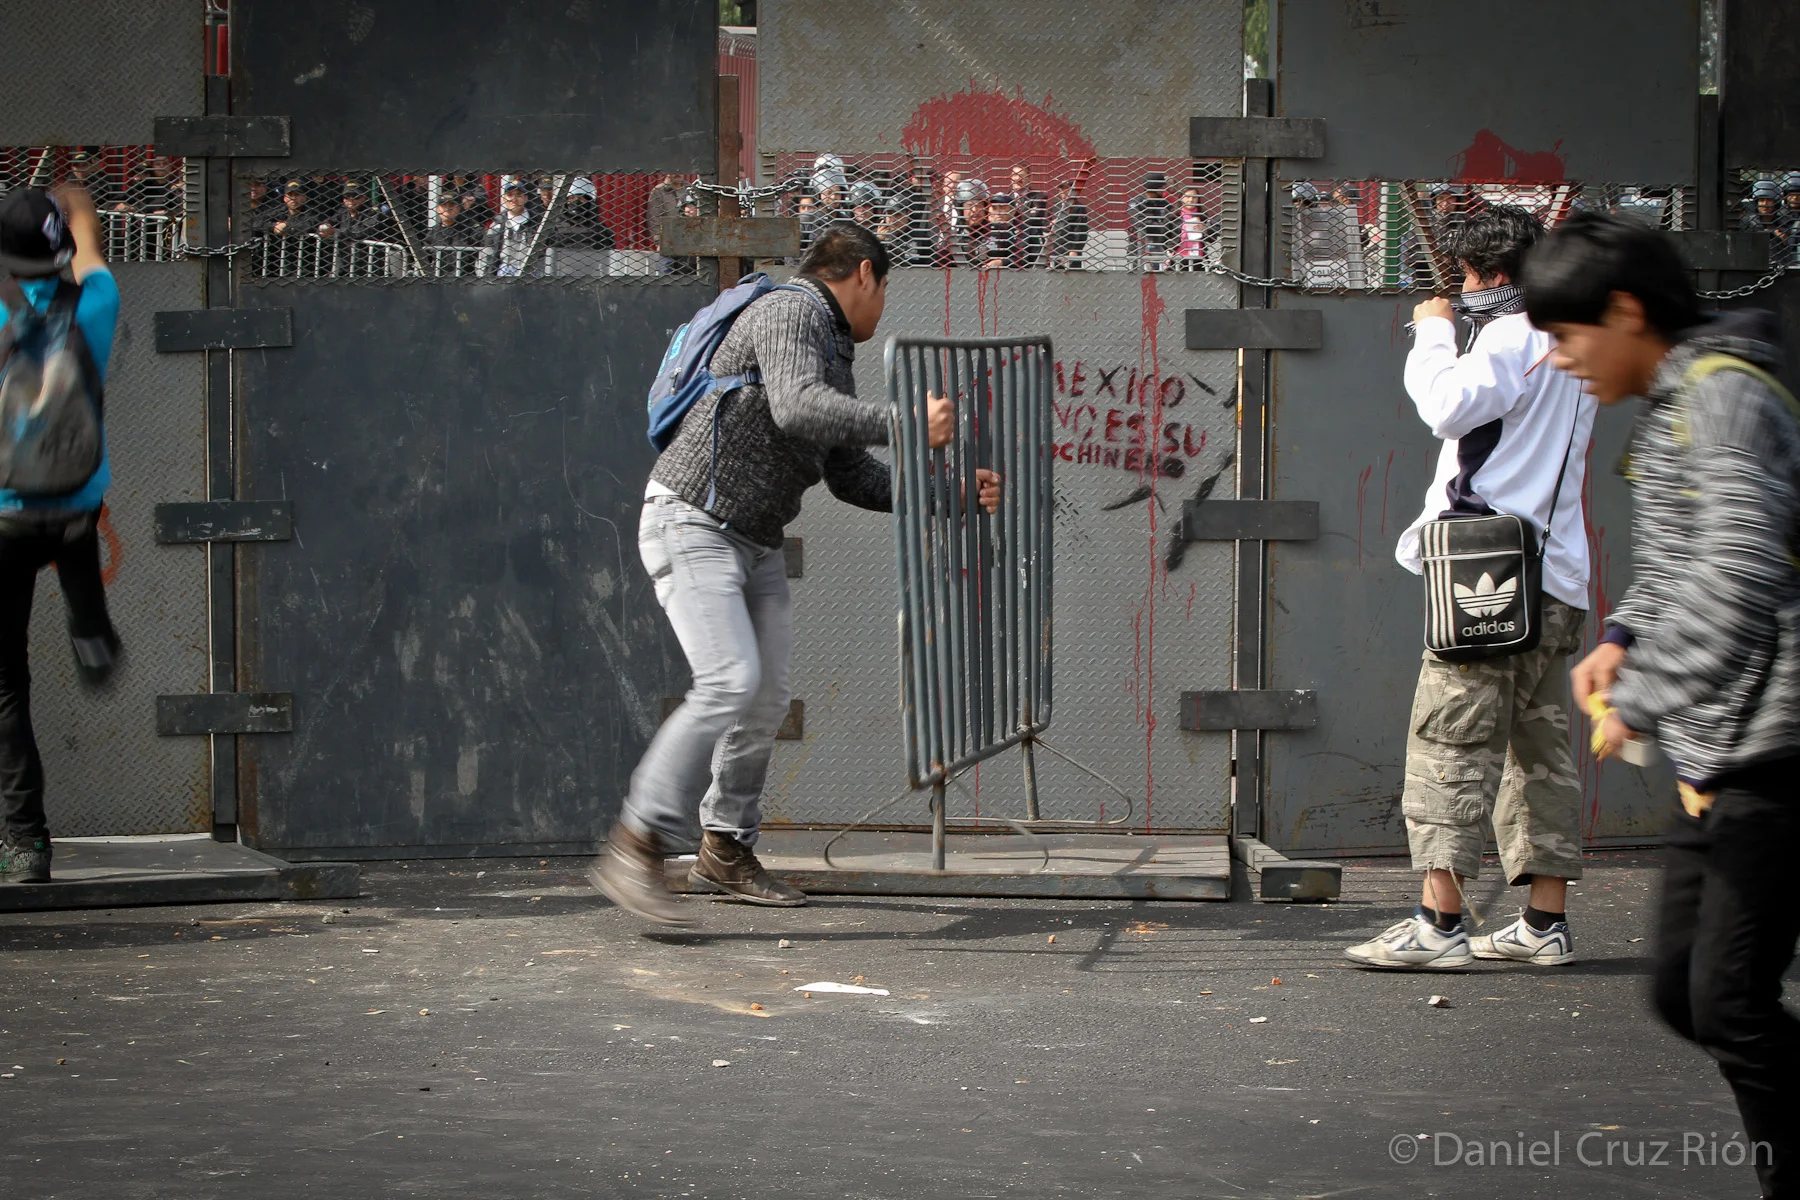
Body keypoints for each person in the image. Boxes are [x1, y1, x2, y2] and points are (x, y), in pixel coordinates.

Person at [589, 222, 999, 924]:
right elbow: (796, 405)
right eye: (886, 289)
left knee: (765, 696)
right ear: (864, 274)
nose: (883, 305)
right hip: (693, 522)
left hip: (753, 539)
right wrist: (906, 421)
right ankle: (636, 841)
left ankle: (724, 847)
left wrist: (951, 494)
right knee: (728, 682)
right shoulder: (790, 311)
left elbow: (848, 475)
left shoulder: (832, 349)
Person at [1521, 213, 1800, 1199]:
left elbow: (1739, 576)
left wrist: (1641, 693)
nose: (1559, 361)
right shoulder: (1683, 401)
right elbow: (1683, 565)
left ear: (1627, 312)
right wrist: (1624, 635)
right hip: (1718, 750)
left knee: (1727, 1000)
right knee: (1691, 992)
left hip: (1777, 745)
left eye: (1565, 336)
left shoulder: (1721, 401)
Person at [1345, 205, 1594, 971]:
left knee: (1450, 741)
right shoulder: (1573, 339)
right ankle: (1543, 921)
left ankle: (1438, 923)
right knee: (1540, 754)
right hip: (1557, 578)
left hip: (1489, 578)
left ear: (1487, 276)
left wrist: (1433, 330)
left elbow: (1447, 406)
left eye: (1463, 277)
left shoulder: (1512, 337)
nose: (1457, 289)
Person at [0, 185, 123, 885]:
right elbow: (92, 249)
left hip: (5, 514)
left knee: (6, 683)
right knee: (77, 568)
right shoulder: (96, 305)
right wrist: (76, 198)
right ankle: (92, 636)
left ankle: (26, 845)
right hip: (77, 508)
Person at [479, 179, 541, 278]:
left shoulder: (538, 222)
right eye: (510, 195)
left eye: (518, 194)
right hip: (503, 275)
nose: (514, 199)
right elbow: (487, 255)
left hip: (533, 274)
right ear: (504, 198)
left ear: (526, 198)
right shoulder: (496, 224)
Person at [1128, 171, 1176, 272]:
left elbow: (1172, 222)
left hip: (1161, 247)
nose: (1164, 189)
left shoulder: (1165, 203)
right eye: (1161, 187)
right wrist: (1160, 225)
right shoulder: (1137, 203)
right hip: (1139, 248)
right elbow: (1139, 222)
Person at [1010, 164, 1048, 267]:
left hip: (1032, 246)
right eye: (1014, 175)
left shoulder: (1038, 197)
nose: (1017, 178)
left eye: (1021, 175)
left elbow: (1036, 217)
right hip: (1009, 244)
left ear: (1029, 178)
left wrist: (1010, 215)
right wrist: (1027, 214)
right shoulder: (1005, 198)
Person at [647, 173, 685, 275]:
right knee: (666, 275)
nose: (678, 174)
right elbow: (653, 217)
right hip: (667, 241)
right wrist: (659, 241)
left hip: (688, 241)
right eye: (674, 171)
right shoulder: (659, 191)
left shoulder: (690, 189)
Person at [1048, 178, 1089, 270]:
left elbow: (1081, 230)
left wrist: (1075, 250)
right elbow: (1045, 223)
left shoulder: (1078, 207)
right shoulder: (1055, 205)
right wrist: (1050, 223)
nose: (1063, 191)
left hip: (1069, 248)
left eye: (1066, 189)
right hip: (1055, 248)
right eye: (1061, 189)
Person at [1173, 186, 1216, 270]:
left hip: (1198, 257)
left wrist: (1204, 229)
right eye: (1187, 197)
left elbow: (1213, 237)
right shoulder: (1173, 217)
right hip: (1178, 258)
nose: (1191, 200)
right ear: (1181, 198)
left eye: (1194, 197)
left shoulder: (1203, 216)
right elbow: (1163, 238)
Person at [982, 192, 1023, 269]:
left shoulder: (1025, 231)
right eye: (994, 208)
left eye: (1002, 207)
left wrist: (1002, 262)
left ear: (1013, 211)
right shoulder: (982, 230)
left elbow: (1024, 257)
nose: (998, 212)